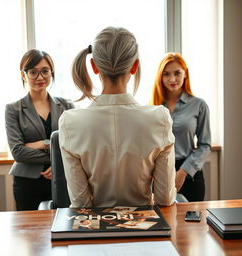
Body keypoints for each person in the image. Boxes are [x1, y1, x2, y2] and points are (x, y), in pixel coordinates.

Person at [59, 27, 176, 208]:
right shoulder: (159, 118)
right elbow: (165, 200)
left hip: (94, 233)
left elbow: (81, 204)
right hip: (147, 232)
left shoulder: (70, 122)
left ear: (94, 66)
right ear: (135, 66)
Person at [5, 49, 74, 210]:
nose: (40, 77)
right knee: (30, 233)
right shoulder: (13, 109)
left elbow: (74, 145)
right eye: (33, 72)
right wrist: (50, 147)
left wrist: (39, 146)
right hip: (27, 183)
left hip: (61, 179)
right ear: (24, 75)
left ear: (52, 73)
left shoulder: (67, 106)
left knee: (60, 228)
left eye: (45, 71)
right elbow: (18, 152)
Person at [150, 52, 211, 202]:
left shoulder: (199, 105)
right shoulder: (152, 108)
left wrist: (183, 172)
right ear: (160, 77)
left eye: (177, 73)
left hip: (189, 175)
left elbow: (205, 145)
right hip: (159, 173)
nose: (172, 79)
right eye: (166, 74)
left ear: (185, 74)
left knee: (192, 223)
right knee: (164, 222)